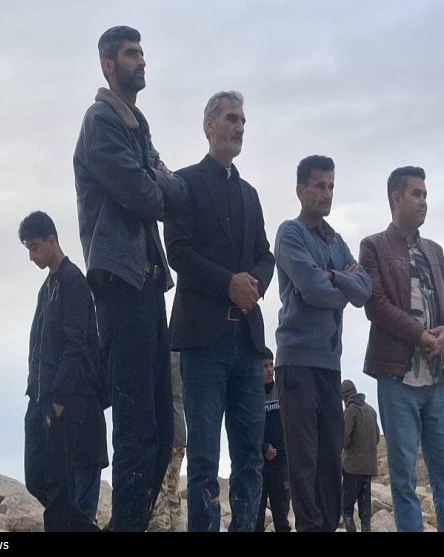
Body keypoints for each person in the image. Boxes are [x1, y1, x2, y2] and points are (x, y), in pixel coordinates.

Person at [73, 25, 184, 531]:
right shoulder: (101, 120)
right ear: (108, 65)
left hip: (148, 285)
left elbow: (163, 187)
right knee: (138, 429)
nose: (141, 61)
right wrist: (159, 179)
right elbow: (146, 194)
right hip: (121, 284)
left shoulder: (136, 125)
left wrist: (157, 179)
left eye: (142, 53)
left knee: (160, 434)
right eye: (131, 54)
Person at [164, 90, 275, 532]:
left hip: (247, 343)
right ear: (209, 126)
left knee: (250, 458)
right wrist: (228, 283)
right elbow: (177, 251)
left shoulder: (250, 194)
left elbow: (265, 255)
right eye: (231, 118)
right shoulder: (185, 183)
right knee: (205, 458)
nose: (239, 127)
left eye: (243, 120)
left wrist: (254, 285)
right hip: (202, 342)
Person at [359, 166, 444, 532]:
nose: (424, 201)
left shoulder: (434, 251)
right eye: (417, 194)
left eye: (425, 195)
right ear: (396, 198)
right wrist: (421, 335)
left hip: (437, 379)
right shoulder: (373, 246)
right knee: (404, 479)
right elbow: (376, 304)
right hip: (396, 378)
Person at [274, 154, 372, 532]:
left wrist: (332, 276)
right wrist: (340, 280)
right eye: (319, 186)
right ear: (301, 190)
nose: (327, 193)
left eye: (331, 186)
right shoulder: (290, 233)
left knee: (331, 458)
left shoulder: (336, 241)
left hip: (330, 364)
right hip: (296, 362)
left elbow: (365, 291)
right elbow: (312, 289)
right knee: (304, 459)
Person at [19, 211, 104, 532]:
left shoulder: (73, 281)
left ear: (52, 240)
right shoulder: (47, 287)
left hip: (63, 400)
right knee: (36, 479)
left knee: (57, 486)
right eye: (28, 248)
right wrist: (33, 380)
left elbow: (76, 344)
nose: (32, 256)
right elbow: (39, 340)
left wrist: (59, 400)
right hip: (40, 397)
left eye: (35, 247)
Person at [147, 351, 187, 532]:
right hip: (179, 431)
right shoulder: (180, 354)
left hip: (162, 430)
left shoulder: (159, 352)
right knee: (172, 494)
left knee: (159, 497)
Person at [255, 347, 291, 533]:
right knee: (256, 520)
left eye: (271, 365)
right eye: (264, 366)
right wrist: (263, 448)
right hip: (259, 463)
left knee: (282, 519)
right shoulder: (252, 395)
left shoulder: (282, 392)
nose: (269, 370)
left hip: (281, 463)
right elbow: (247, 430)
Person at [340, 380, 380, 533]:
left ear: (345, 397)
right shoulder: (371, 410)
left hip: (352, 469)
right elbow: (377, 438)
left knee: (346, 509)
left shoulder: (351, 410)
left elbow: (344, 440)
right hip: (368, 468)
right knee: (365, 512)